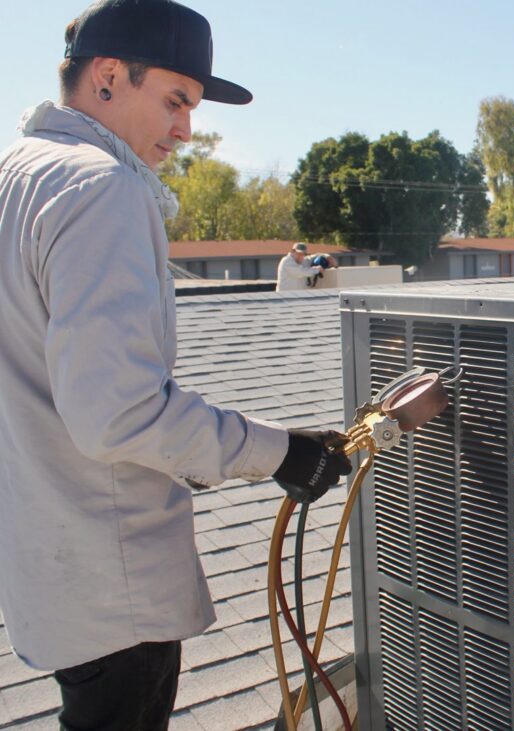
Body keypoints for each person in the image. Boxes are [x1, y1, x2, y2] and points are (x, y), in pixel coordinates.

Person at [0, 2, 352, 729]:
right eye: (175, 101)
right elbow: (120, 411)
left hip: (46, 573)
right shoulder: (102, 187)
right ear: (106, 77)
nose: (187, 130)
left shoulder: (15, 176)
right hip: (112, 586)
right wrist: (280, 450)